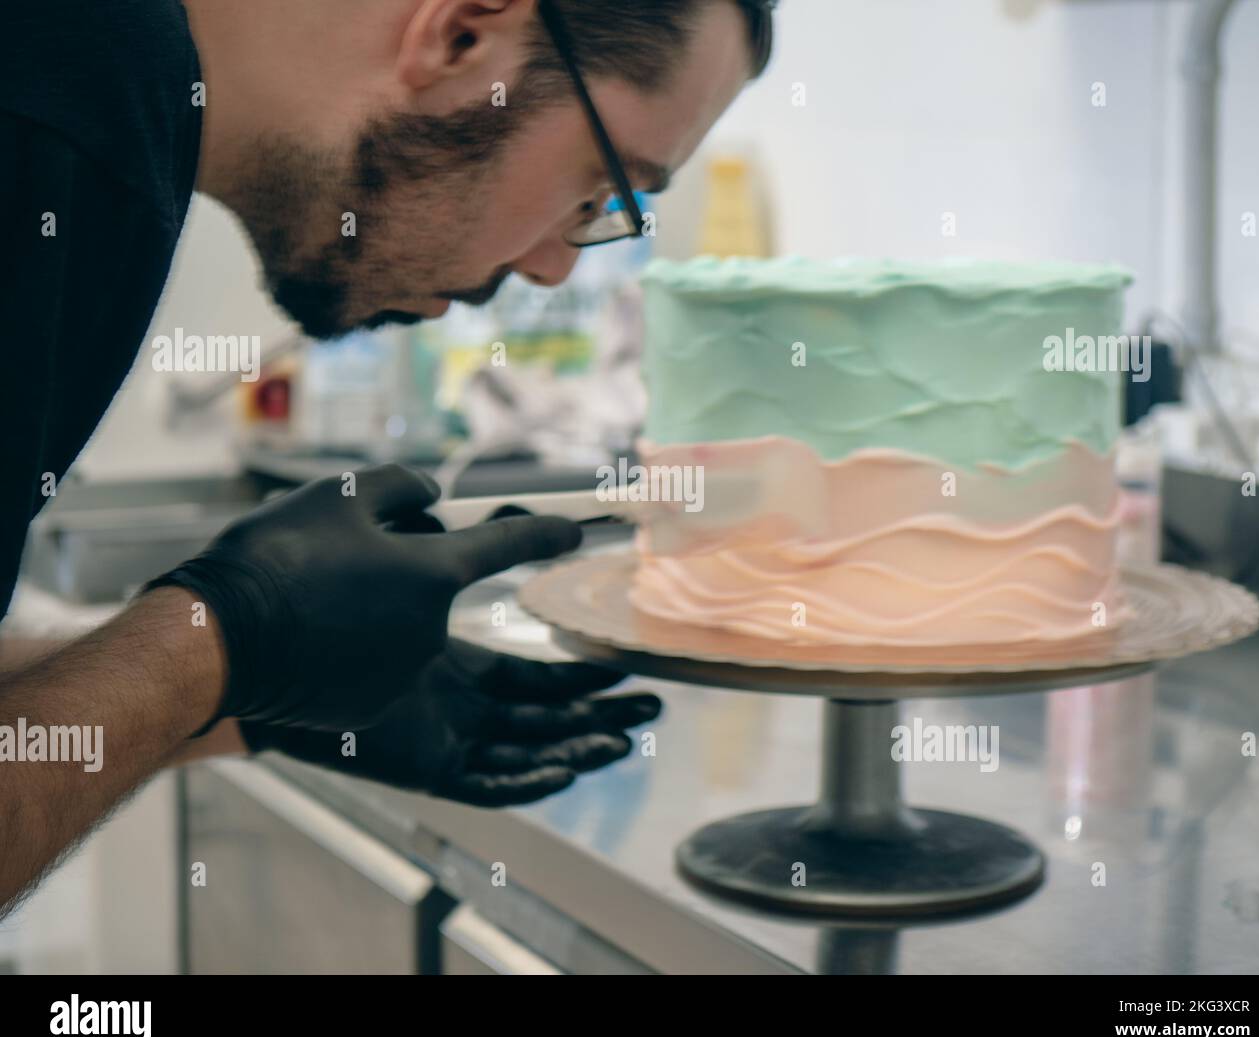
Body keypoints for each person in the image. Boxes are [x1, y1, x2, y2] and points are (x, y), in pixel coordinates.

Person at [0, 0, 775, 911]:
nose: (556, 270)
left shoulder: (94, 82)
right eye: (598, 190)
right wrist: (219, 639)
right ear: (461, 38)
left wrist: (243, 694)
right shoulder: (59, 115)